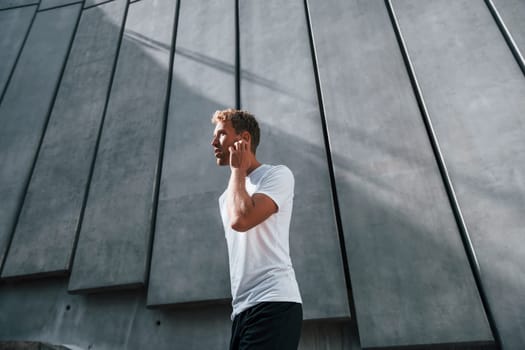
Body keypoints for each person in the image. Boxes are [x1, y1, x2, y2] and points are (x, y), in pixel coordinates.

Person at [211, 109, 303, 349]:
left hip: (274, 302)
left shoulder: (277, 175)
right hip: (241, 311)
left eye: (221, 134)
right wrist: (237, 175)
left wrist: (237, 170)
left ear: (244, 139)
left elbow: (242, 220)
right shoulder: (227, 197)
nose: (213, 142)